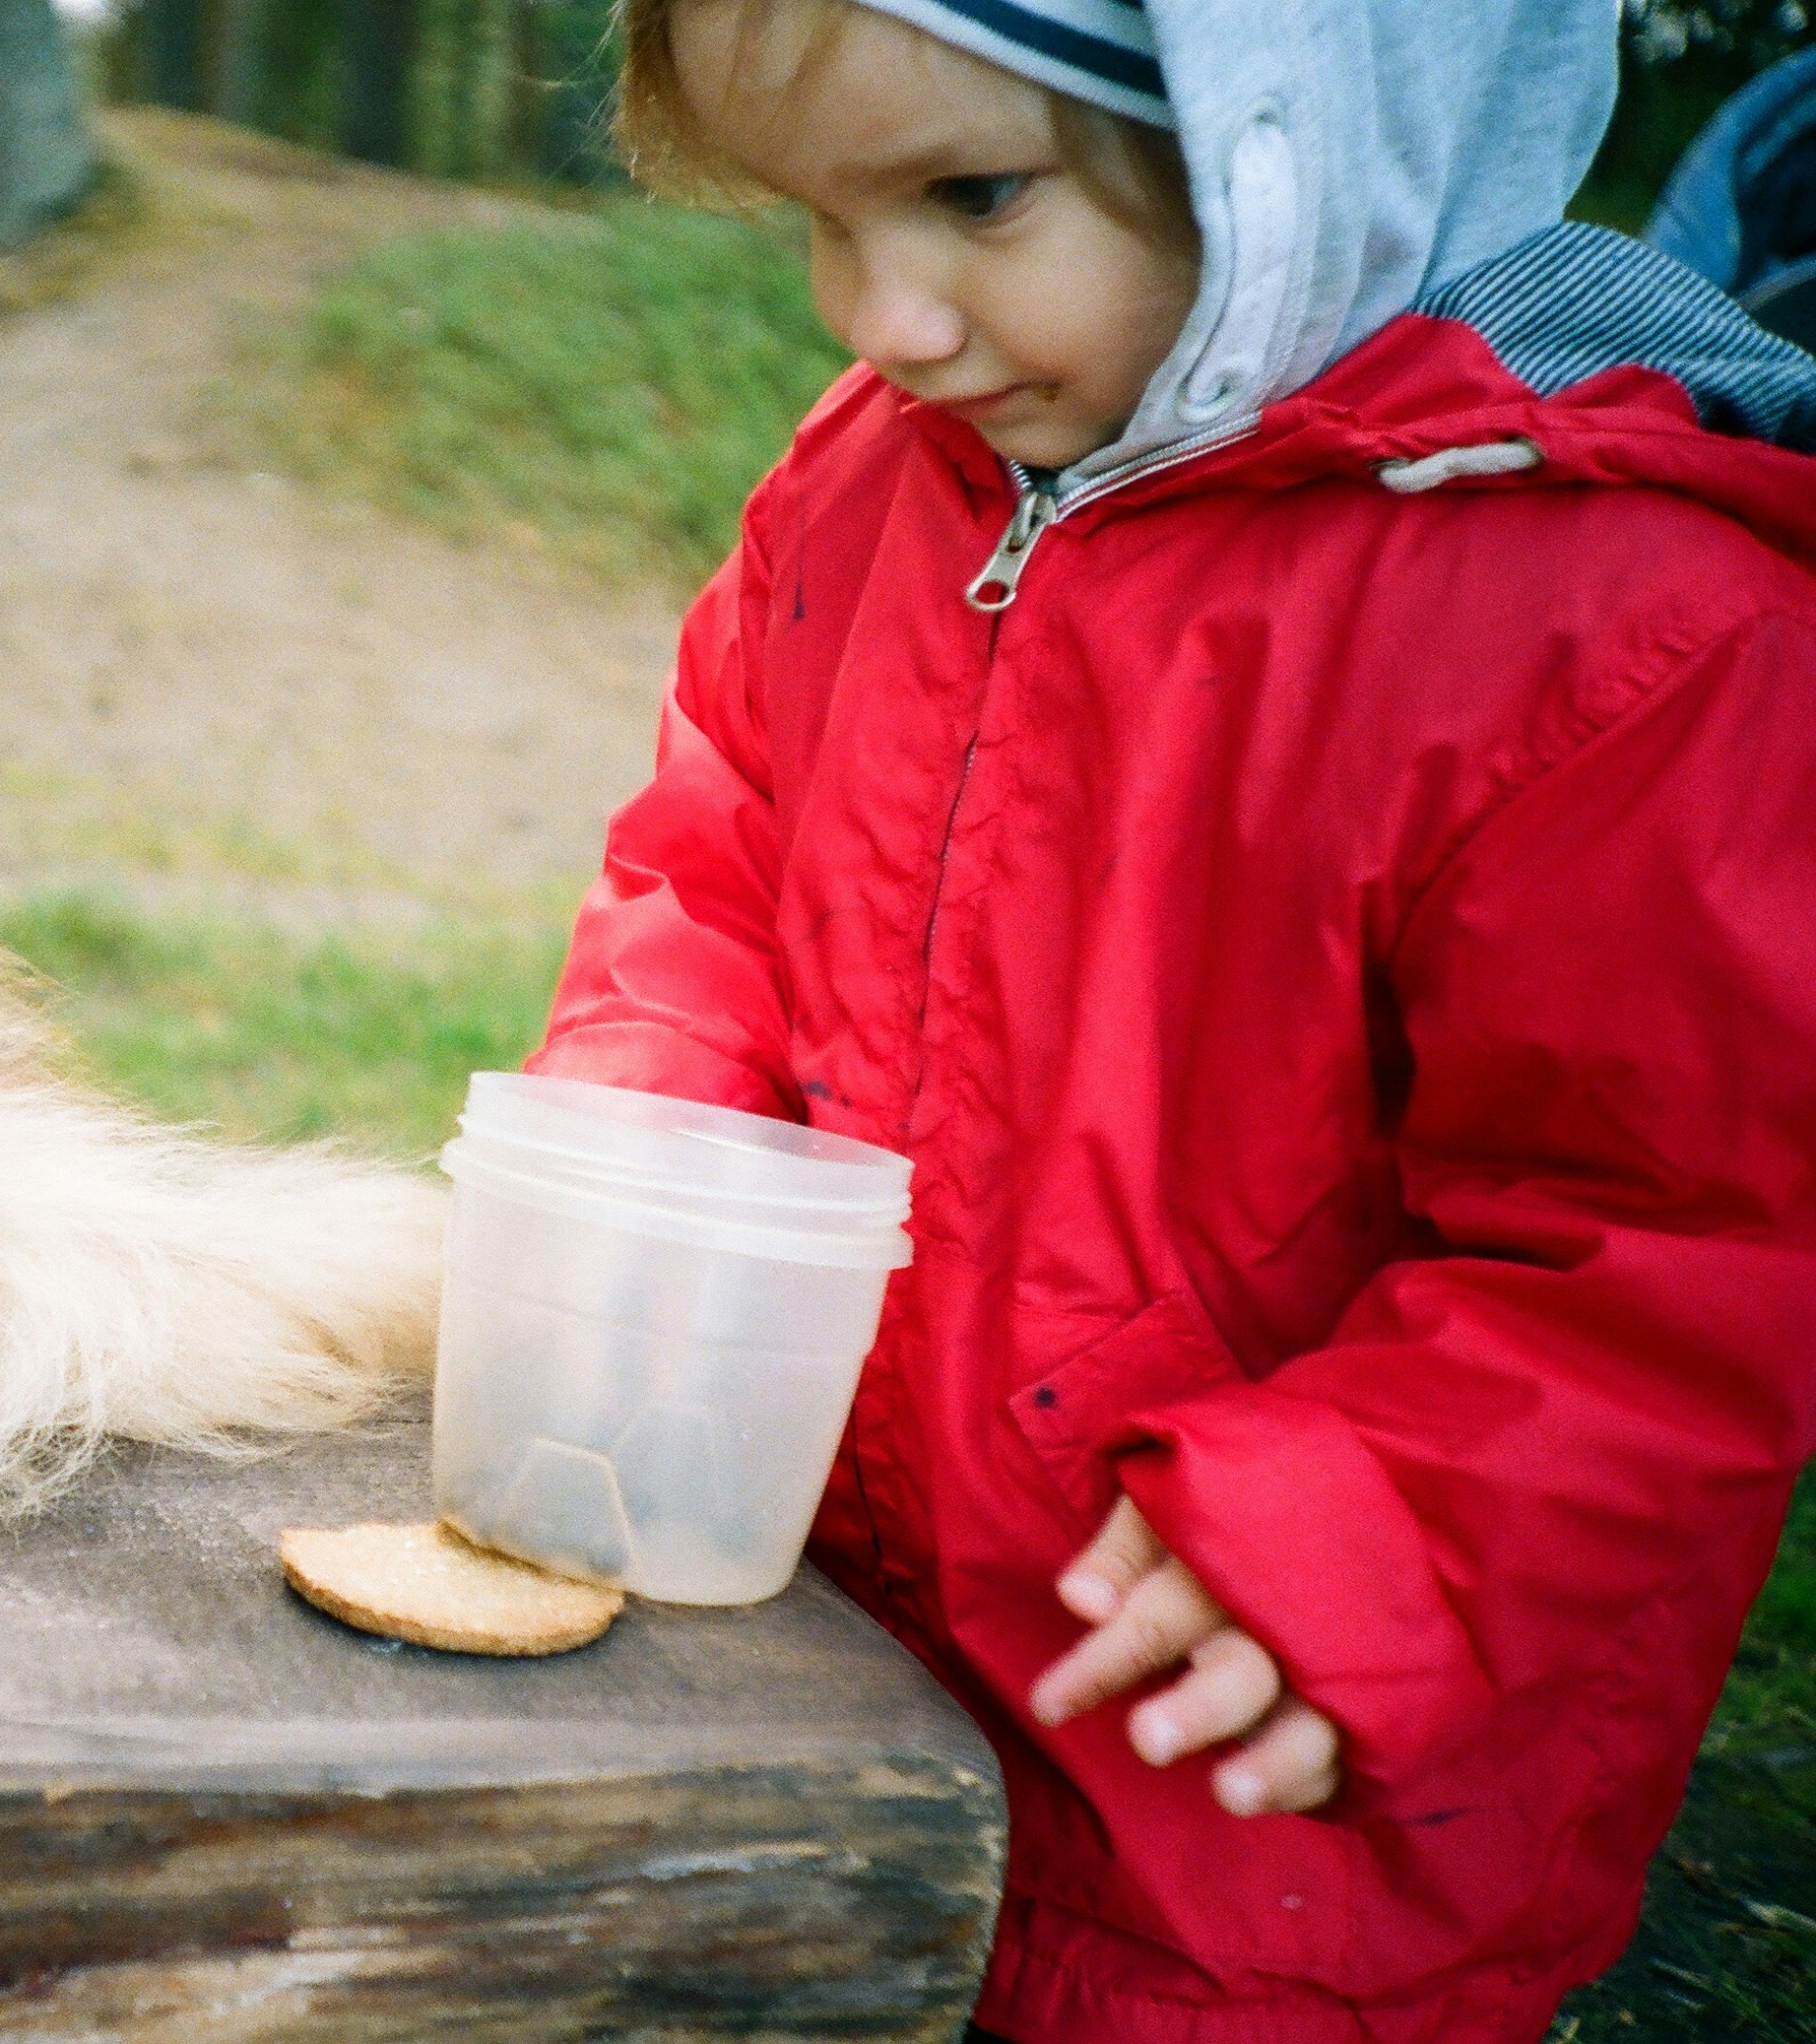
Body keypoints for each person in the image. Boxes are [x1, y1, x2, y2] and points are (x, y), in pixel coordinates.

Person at [525, 1, 1816, 2038]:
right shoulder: (871, 488)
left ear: (1312, 126)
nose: (884, 318)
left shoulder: (1623, 624)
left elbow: (1678, 1244)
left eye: (968, 196)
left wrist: (1376, 1541)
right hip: (836, 1669)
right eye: (818, 218)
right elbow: (718, 852)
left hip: (1248, 1826)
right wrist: (645, 1126)